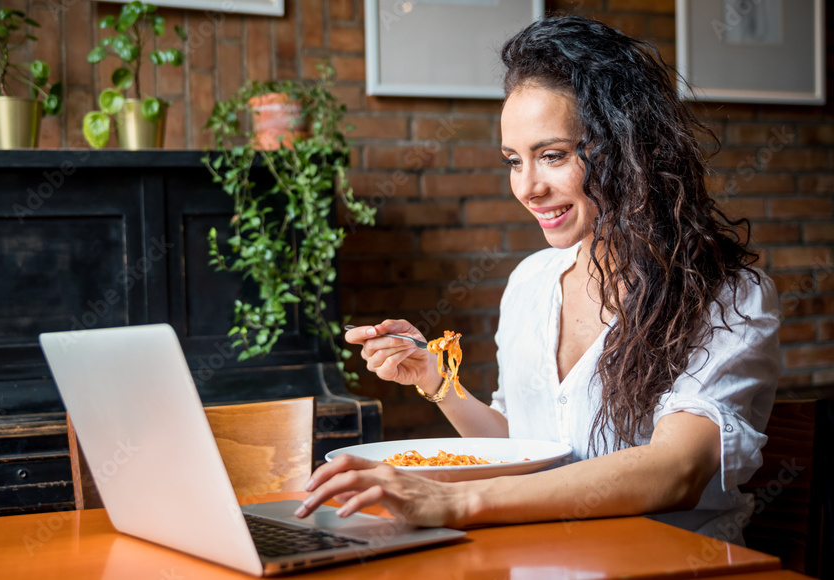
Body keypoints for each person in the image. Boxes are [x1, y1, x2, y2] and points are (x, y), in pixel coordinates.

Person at [294, 15, 780, 545]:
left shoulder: (727, 295)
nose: (527, 187)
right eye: (512, 160)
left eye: (552, 156)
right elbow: (521, 445)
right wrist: (438, 381)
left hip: (667, 561)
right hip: (542, 554)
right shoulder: (530, 281)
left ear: (626, 148)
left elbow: (676, 470)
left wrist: (455, 500)